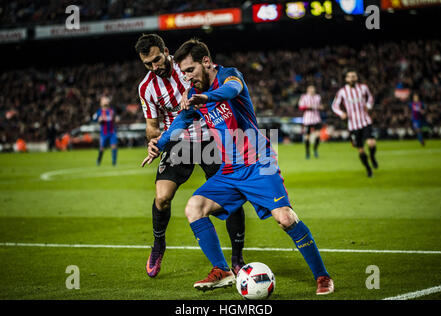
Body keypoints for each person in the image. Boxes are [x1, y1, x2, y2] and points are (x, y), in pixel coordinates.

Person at [142, 39, 334, 295]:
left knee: (285, 218)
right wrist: (159, 144)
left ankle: (322, 277)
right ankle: (221, 270)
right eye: (184, 72)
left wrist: (205, 97)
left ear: (206, 62)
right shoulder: (193, 95)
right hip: (230, 170)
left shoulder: (229, 76)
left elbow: (232, 91)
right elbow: (179, 122)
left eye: (190, 70)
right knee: (194, 207)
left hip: (258, 162)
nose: (187, 78)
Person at [135, 34, 246, 278]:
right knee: (162, 197)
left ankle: (237, 258)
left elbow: (215, 80)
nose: (155, 67)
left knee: (231, 196)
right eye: (148, 64)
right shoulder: (146, 87)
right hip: (178, 142)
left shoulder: (186, 65)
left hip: (210, 137)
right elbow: (152, 124)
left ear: (166, 51)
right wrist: (153, 142)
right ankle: (158, 245)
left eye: (157, 60)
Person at [332, 69, 378, 177]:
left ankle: (372, 157)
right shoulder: (342, 91)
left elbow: (370, 98)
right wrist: (341, 113)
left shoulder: (363, 88)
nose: (352, 78)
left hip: (365, 120)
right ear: (346, 79)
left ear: (356, 78)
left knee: (371, 143)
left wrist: (369, 106)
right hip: (353, 124)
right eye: (350, 76)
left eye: (354, 76)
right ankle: (368, 169)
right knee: (361, 149)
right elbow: (334, 106)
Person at [298, 85, 323, 159]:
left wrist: (320, 107)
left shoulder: (318, 97)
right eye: (310, 90)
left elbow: (321, 106)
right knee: (307, 137)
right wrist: (308, 107)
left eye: (313, 89)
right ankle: (307, 153)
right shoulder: (304, 97)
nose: (312, 91)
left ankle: (315, 150)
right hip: (307, 119)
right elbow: (300, 107)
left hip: (316, 119)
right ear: (307, 90)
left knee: (318, 136)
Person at [93, 96, 118, 166]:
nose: (106, 101)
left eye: (106, 100)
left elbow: (115, 118)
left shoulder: (111, 110)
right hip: (104, 133)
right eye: (104, 100)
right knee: (102, 148)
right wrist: (99, 120)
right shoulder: (99, 111)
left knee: (114, 146)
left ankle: (114, 162)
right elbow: (94, 119)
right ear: (101, 103)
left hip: (112, 132)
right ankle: (99, 160)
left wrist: (115, 119)